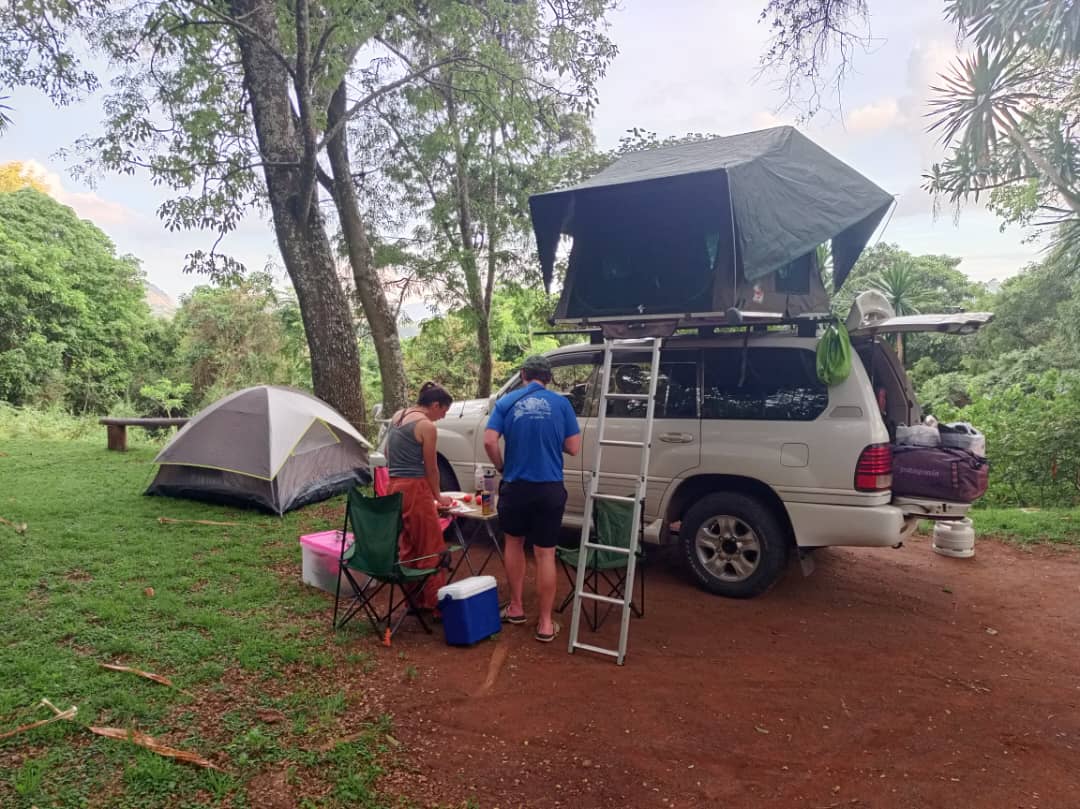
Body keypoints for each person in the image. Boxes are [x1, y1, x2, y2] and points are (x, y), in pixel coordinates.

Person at [484, 355, 581, 643]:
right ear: (548, 378)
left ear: (523, 374)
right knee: (545, 553)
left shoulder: (507, 402)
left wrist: (502, 466)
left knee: (514, 543)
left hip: (516, 485)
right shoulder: (562, 404)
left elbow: (489, 441)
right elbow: (573, 447)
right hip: (549, 487)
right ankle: (546, 623)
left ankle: (515, 607)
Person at [385, 381, 455, 611]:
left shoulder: (398, 416)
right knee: (430, 547)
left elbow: (387, 452)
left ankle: (413, 601)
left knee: (407, 544)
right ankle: (435, 606)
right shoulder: (426, 426)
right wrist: (438, 497)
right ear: (435, 404)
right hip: (415, 489)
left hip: (393, 487)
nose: (442, 417)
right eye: (443, 411)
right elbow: (431, 467)